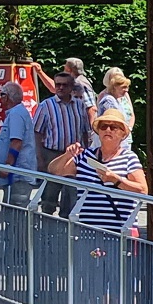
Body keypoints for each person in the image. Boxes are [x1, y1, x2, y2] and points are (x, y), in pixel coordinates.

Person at [50, 108, 147, 230]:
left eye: (113, 127)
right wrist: (67, 155)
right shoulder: (85, 155)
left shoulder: (129, 158)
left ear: (123, 134)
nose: (107, 130)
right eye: (103, 127)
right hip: (87, 229)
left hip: (120, 231)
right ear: (98, 132)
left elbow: (143, 191)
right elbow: (54, 171)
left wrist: (116, 180)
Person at [33, 72, 91, 216]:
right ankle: (47, 227)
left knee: (72, 194)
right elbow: (36, 133)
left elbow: (85, 131)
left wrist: (87, 154)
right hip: (52, 154)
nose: (60, 88)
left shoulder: (80, 105)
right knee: (49, 196)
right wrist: (39, 158)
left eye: (64, 85)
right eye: (57, 84)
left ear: (71, 86)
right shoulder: (46, 105)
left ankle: (67, 226)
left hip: (74, 156)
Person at [0, 79, 36, 206]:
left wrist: (7, 166)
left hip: (18, 175)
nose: (0, 98)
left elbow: (16, 142)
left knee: (15, 212)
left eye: (1, 94)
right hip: (17, 174)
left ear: (7, 97)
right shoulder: (17, 112)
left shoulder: (16, 114)